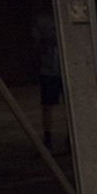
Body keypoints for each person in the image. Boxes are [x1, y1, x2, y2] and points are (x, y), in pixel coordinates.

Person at [33, 10, 63, 151]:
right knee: (47, 105)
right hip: (50, 68)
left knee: (50, 105)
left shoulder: (45, 21)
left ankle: (52, 138)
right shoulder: (44, 20)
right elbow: (37, 43)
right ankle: (48, 137)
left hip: (57, 68)